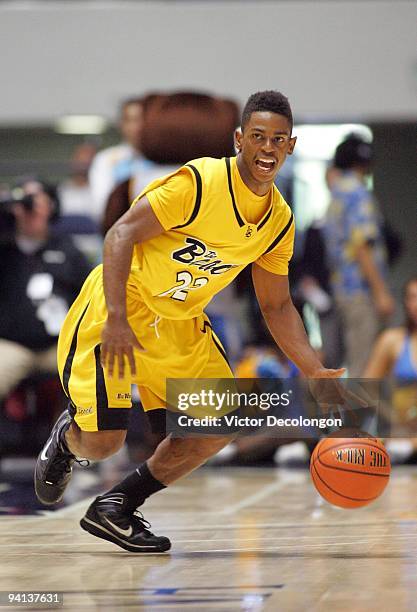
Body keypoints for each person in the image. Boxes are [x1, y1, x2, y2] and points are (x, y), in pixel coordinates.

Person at [35, 90, 347, 554]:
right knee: (103, 443)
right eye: (257, 137)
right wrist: (117, 319)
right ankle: (67, 438)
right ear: (239, 139)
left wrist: (315, 370)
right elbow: (119, 234)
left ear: (291, 146)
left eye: (277, 140)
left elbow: (278, 307)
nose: (267, 148)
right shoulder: (199, 183)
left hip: (178, 325)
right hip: (118, 307)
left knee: (217, 424)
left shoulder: (278, 221)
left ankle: (116, 506)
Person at [0, 180, 91, 402]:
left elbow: (91, 298)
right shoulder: (4, 250)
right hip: (12, 345)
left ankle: (90, 437)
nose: (30, 209)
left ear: (52, 207)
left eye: (36, 201)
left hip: (60, 346)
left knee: (95, 379)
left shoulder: (68, 249)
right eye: (25, 201)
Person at [324, 134, 395, 376]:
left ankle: (357, 415)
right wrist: (381, 292)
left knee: (356, 363)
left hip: (343, 289)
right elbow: (362, 246)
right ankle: (357, 416)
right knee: (365, 368)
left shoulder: (337, 192)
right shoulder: (356, 193)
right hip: (360, 291)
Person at [364, 277, 417, 451]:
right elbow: (365, 387)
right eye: (413, 297)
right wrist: (392, 417)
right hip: (402, 435)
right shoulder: (392, 340)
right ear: (406, 303)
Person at [89, 97, 155, 223]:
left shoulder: (162, 157)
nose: (135, 126)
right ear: (121, 124)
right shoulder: (106, 159)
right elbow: (100, 206)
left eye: (139, 119)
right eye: (129, 120)